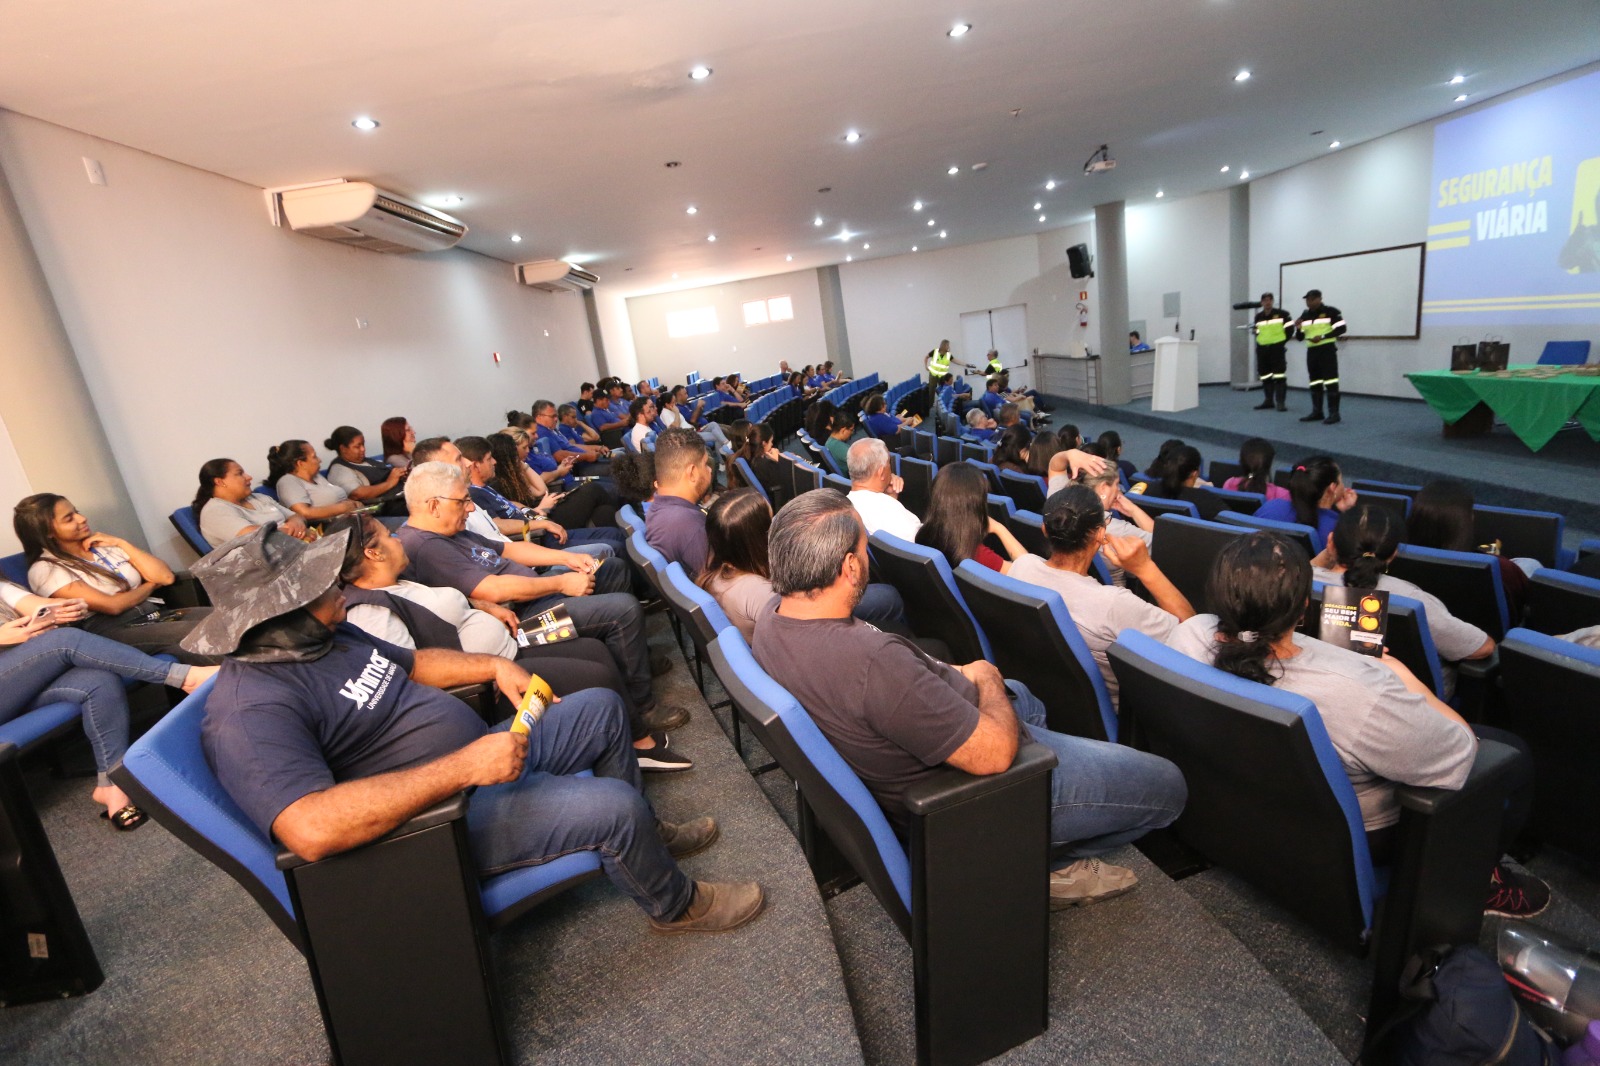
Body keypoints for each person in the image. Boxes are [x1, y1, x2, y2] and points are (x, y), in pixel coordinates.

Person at [187, 523, 761, 933]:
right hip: (439, 820)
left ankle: (645, 840)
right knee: (613, 807)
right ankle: (676, 905)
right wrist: (464, 767)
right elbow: (310, 828)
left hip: (479, 762)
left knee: (600, 709)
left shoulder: (325, 637)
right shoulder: (249, 710)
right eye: (318, 585)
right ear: (278, 614)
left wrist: (493, 666)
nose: (338, 586)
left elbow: (414, 663)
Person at [751, 491, 1186, 907]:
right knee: (1169, 787)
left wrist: (962, 676)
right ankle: (1039, 861)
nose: (868, 558)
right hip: (978, 787)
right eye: (864, 550)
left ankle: (1051, 810)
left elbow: (900, 679)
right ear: (849, 566)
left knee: (1026, 698)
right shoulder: (873, 664)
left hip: (952, 722)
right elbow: (994, 754)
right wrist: (986, 678)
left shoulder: (774, 618)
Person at [1166, 532, 1545, 917]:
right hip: (1354, 832)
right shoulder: (1361, 690)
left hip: (1245, 796)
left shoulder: (1188, 635)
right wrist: (1403, 675)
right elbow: (1462, 751)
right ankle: (1478, 880)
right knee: (1512, 756)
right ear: (1303, 609)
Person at [337, 515, 686, 771]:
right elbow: (411, 675)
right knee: (599, 676)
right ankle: (640, 745)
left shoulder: (396, 581)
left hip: (509, 641)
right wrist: (487, 666)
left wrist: (481, 606)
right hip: (489, 686)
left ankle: (634, 741)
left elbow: (442, 605)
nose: (396, 537)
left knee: (595, 650)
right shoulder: (371, 611)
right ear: (373, 554)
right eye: (387, 535)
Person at [395, 462, 681, 737]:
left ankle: (636, 662)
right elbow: (493, 590)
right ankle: (643, 709)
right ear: (434, 505)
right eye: (463, 501)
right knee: (623, 611)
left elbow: (510, 551)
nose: (470, 508)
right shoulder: (426, 546)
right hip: (522, 618)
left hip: (534, 594)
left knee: (611, 569)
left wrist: (566, 559)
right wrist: (560, 582)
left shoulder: (451, 532)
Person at [0, 579, 215, 828]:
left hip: (16, 684)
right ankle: (184, 677)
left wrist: (63, 610)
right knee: (64, 640)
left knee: (99, 680)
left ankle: (111, 786)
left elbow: (37, 606)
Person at [1009, 487, 1194, 706]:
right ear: (1099, 534)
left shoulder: (1022, 567)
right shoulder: (1113, 604)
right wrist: (1146, 568)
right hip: (1114, 710)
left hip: (1046, 694)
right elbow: (1194, 637)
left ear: (1045, 530)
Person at [1311, 504, 1494, 700]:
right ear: (1393, 554)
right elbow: (1483, 648)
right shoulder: (1409, 597)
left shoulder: (1299, 580)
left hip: (1324, 687)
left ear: (1330, 542)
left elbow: (1308, 570)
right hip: (1405, 700)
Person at [15, 493, 218, 664]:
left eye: (76, 512)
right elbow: (113, 606)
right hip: (110, 631)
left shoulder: (103, 546)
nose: (82, 518)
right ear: (48, 532)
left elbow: (165, 577)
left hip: (151, 614)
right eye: (69, 519)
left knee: (223, 618)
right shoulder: (46, 569)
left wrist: (122, 544)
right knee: (200, 633)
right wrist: (149, 585)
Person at [459, 436, 621, 560]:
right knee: (613, 544)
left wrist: (533, 512)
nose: (494, 462)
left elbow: (511, 504)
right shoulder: (475, 494)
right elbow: (498, 525)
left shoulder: (486, 488)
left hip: (543, 525)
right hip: (540, 539)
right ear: (475, 465)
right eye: (489, 459)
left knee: (609, 523)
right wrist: (541, 521)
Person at [1406, 479, 1535, 616]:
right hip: (1485, 628)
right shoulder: (1501, 568)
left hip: (1431, 622)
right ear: (1466, 521)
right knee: (1531, 564)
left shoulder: (1395, 559)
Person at [916, 463, 1028, 573]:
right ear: (976, 505)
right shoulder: (976, 554)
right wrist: (999, 528)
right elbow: (1028, 572)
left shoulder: (923, 535)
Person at [643, 428, 713, 578]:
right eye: (705, 464)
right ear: (692, 473)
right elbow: (719, 582)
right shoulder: (690, 526)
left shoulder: (657, 507)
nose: (710, 470)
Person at [193, 458, 309, 547]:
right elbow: (256, 537)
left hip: (293, 547)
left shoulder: (258, 497)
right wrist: (297, 532)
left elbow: (296, 516)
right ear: (220, 482)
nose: (249, 477)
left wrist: (296, 523)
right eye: (239, 473)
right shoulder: (215, 511)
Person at [1254, 455, 1357, 544]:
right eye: (1341, 480)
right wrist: (1348, 513)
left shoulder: (1270, 507)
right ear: (1332, 488)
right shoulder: (1337, 529)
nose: (1344, 486)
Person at [268, 439, 362, 523]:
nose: (319, 460)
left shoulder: (317, 477)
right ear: (300, 463)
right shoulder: (288, 481)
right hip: (327, 527)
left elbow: (335, 497)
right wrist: (341, 508)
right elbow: (304, 513)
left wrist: (353, 504)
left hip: (349, 519)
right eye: (314, 457)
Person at [846, 438, 921, 542]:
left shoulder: (845, 505)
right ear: (881, 472)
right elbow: (921, 542)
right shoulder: (894, 514)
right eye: (888, 463)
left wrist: (891, 497)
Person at [1292, 289, 1348, 424]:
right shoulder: (1305, 315)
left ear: (1319, 299)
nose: (1309, 302)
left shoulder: (1331, 311)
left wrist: (1323, 336)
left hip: (1327, 350)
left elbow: (1342, 329)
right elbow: (1300, 338)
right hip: (1312, 351)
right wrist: (1298, 328)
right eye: (1307, 299)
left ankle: (1334, 414)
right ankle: (1317, 412)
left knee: (1331, 382)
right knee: (1315, 382)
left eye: (1311, 299)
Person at [324, 426, 407, 515]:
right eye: (357, 446)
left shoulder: (368, 461)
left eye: (363, 444)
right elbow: (356, 494)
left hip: (403, 496)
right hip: (387, 507)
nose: (363, 449)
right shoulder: (339, 470)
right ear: (343, 449)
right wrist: (389, 483)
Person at [532, 401, 609, 474]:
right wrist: (587, 456)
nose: (556, 419)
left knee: (614, 460)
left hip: (587, 461)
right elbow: (559, 456)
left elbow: (570, 446)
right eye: (552, 416)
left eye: (556, 416)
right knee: (614, 467)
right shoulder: (542, 432)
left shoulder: (552, 430)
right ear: (539, 417)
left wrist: (596, 448)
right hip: (580, 467)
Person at [1252, 292, 1294, 410]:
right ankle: (1268, 401)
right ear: (1262, 302)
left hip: (1276, 349)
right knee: (1265, 375)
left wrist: (1281, 343)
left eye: (1270, 300)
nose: (1267, 302)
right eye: (1265, 300)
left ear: (1272, 301)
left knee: (1279, 375)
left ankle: (1280, 402)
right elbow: (1257, 331)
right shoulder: (1258, 316)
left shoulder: (1283, 314)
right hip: (1262, 349)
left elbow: (1290, 330)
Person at [730, 422, 784, 503]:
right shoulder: (765, 464)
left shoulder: (750, 457)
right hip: (775, 499)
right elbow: (783, 480)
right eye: (771, 441)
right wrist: (778, 460)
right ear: (764, 443)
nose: (772, 444)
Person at [1223, 438, 1289, 502]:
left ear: (1241, 461)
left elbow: (1251, 476)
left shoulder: (1229, 484)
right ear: (1269, 464)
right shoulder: (1282, 495)